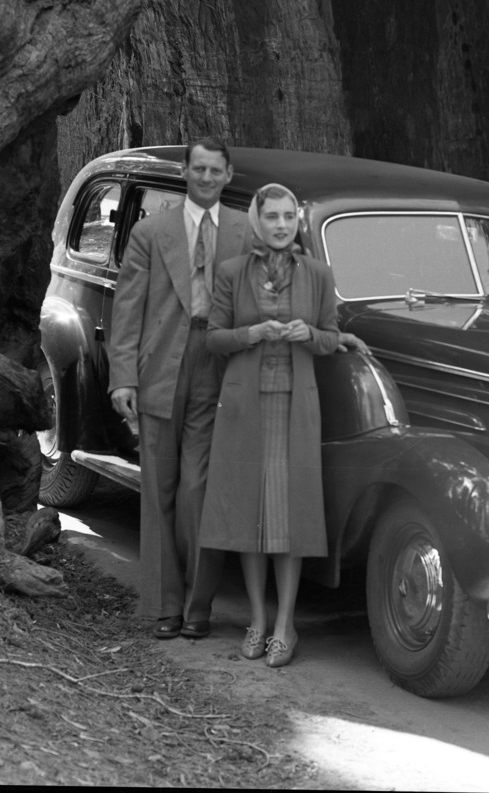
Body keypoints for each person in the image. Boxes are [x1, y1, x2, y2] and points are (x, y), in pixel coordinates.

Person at [108, 136, 252, 638]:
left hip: (216, 366)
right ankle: (164, 607)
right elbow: (125, 310)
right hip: (159, 368)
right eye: (199, 169)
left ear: (228, 175)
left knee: (199, 490)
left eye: (216, 170)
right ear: (185, 173)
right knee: (159, 488)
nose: (207, 178)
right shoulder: (152, 232)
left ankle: (198, 608)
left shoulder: (245, 231)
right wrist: (122, 377)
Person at [199, 183, 343, 669]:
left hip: (295, 407)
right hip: (245, 409)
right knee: (249, 516)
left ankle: (286, 625)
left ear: (297, 221)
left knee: (289, 520)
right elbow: (213, 339)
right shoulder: (232, 273)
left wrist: (311, 334)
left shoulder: (318, 274)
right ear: (258, 220)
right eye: (272, 217)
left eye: (288, 217)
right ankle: (257, 621)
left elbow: (332, 337)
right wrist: (252, 334)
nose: (281, 225)